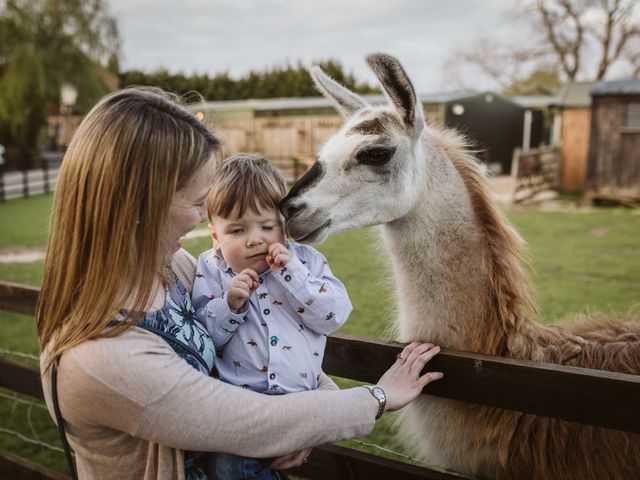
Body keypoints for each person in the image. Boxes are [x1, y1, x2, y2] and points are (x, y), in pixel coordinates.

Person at [36, 86, 444, 480]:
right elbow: (249, 423)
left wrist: (304, 415)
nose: (203, 220)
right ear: (139, 204)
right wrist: (378, 397)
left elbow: (268, 336)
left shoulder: (171, 268)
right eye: (198, 203)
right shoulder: (100, 359)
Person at [191, 154, 352, 479]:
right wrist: (228, 305)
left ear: (284, 225)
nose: (255, 239)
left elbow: (334, 315)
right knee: (230, 470)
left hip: (298, 409)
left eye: (267, 226)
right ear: (215, 237)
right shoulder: (210, 268)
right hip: (239, 415)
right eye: (236, 230)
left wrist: (293, 274)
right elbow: (202, 338)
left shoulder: (307, 262)